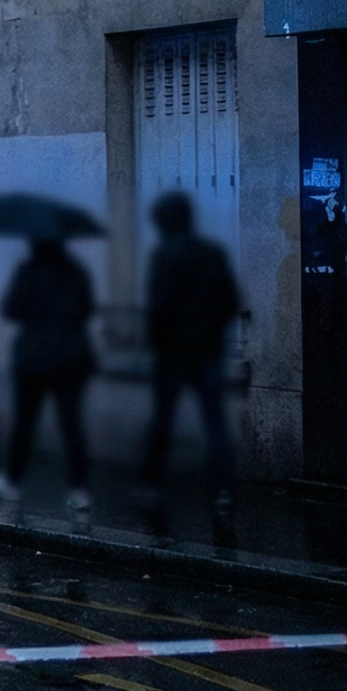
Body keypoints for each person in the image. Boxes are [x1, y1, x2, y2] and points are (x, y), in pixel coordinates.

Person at [140, 191, 242, 523]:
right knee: (215, 423)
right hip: (208, 350)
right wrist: (212, 333)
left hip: (173, 353)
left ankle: (152, 484)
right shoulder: (212, 253)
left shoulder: (163, 255)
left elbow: (158, 306)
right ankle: (222, 491)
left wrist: (155, 343)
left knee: (162, 420)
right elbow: (231, 300)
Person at [0, 235, 98, 517]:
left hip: (34, 359)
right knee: (72, 425)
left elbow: (11, 309)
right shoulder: (76, 272)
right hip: (71, 358)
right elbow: (86, 308)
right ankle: (79, 491)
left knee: (25, 422)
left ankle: (13, 482)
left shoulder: (28, 271)